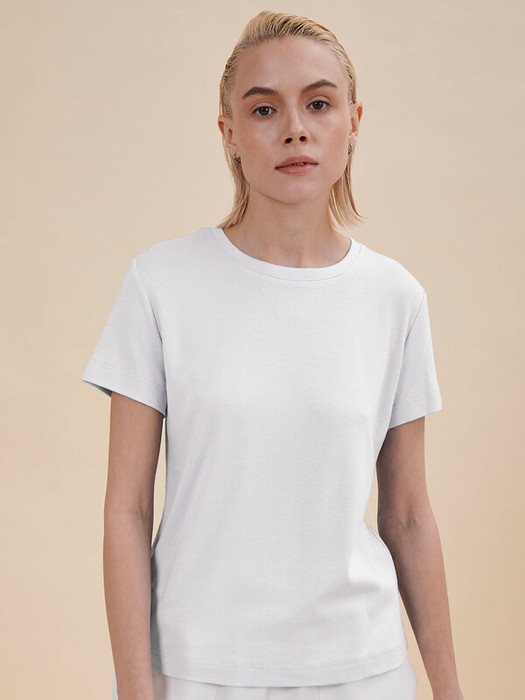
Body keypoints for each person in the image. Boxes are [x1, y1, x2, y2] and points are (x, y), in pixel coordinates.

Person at [81, 10, 464, 700]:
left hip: (362, 672)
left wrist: (450, 691)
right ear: (228, 134)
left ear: (353, 122)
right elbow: (126, 511)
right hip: (195, 671)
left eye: (318, 104)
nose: (295, 128)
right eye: (264, 109)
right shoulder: (160, 283)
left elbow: (408, 515)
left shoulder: (395, 298)